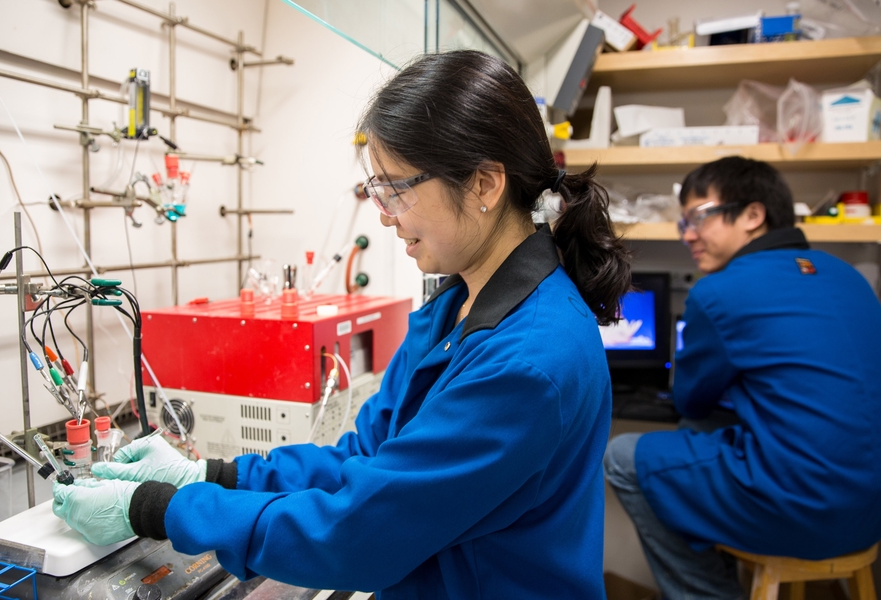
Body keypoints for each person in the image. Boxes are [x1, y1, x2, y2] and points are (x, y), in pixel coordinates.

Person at [52, 50, 632, 598]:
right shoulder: (452, 310)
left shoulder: (529, 363)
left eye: (396, 190)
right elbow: (364, 461)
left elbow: (359, 532)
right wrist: (212, 472)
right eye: (376, 190)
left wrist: (156, 509)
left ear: (484, 183)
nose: (383, 216)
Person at [604, 156, 881, 599]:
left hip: (808, 514)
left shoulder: (719, 291)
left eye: (698, 217)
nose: (688, 234)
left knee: (622, 456)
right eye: (683, 223)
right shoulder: (846, 275)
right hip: (870, 512)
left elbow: (691, 401)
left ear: (753, 215)